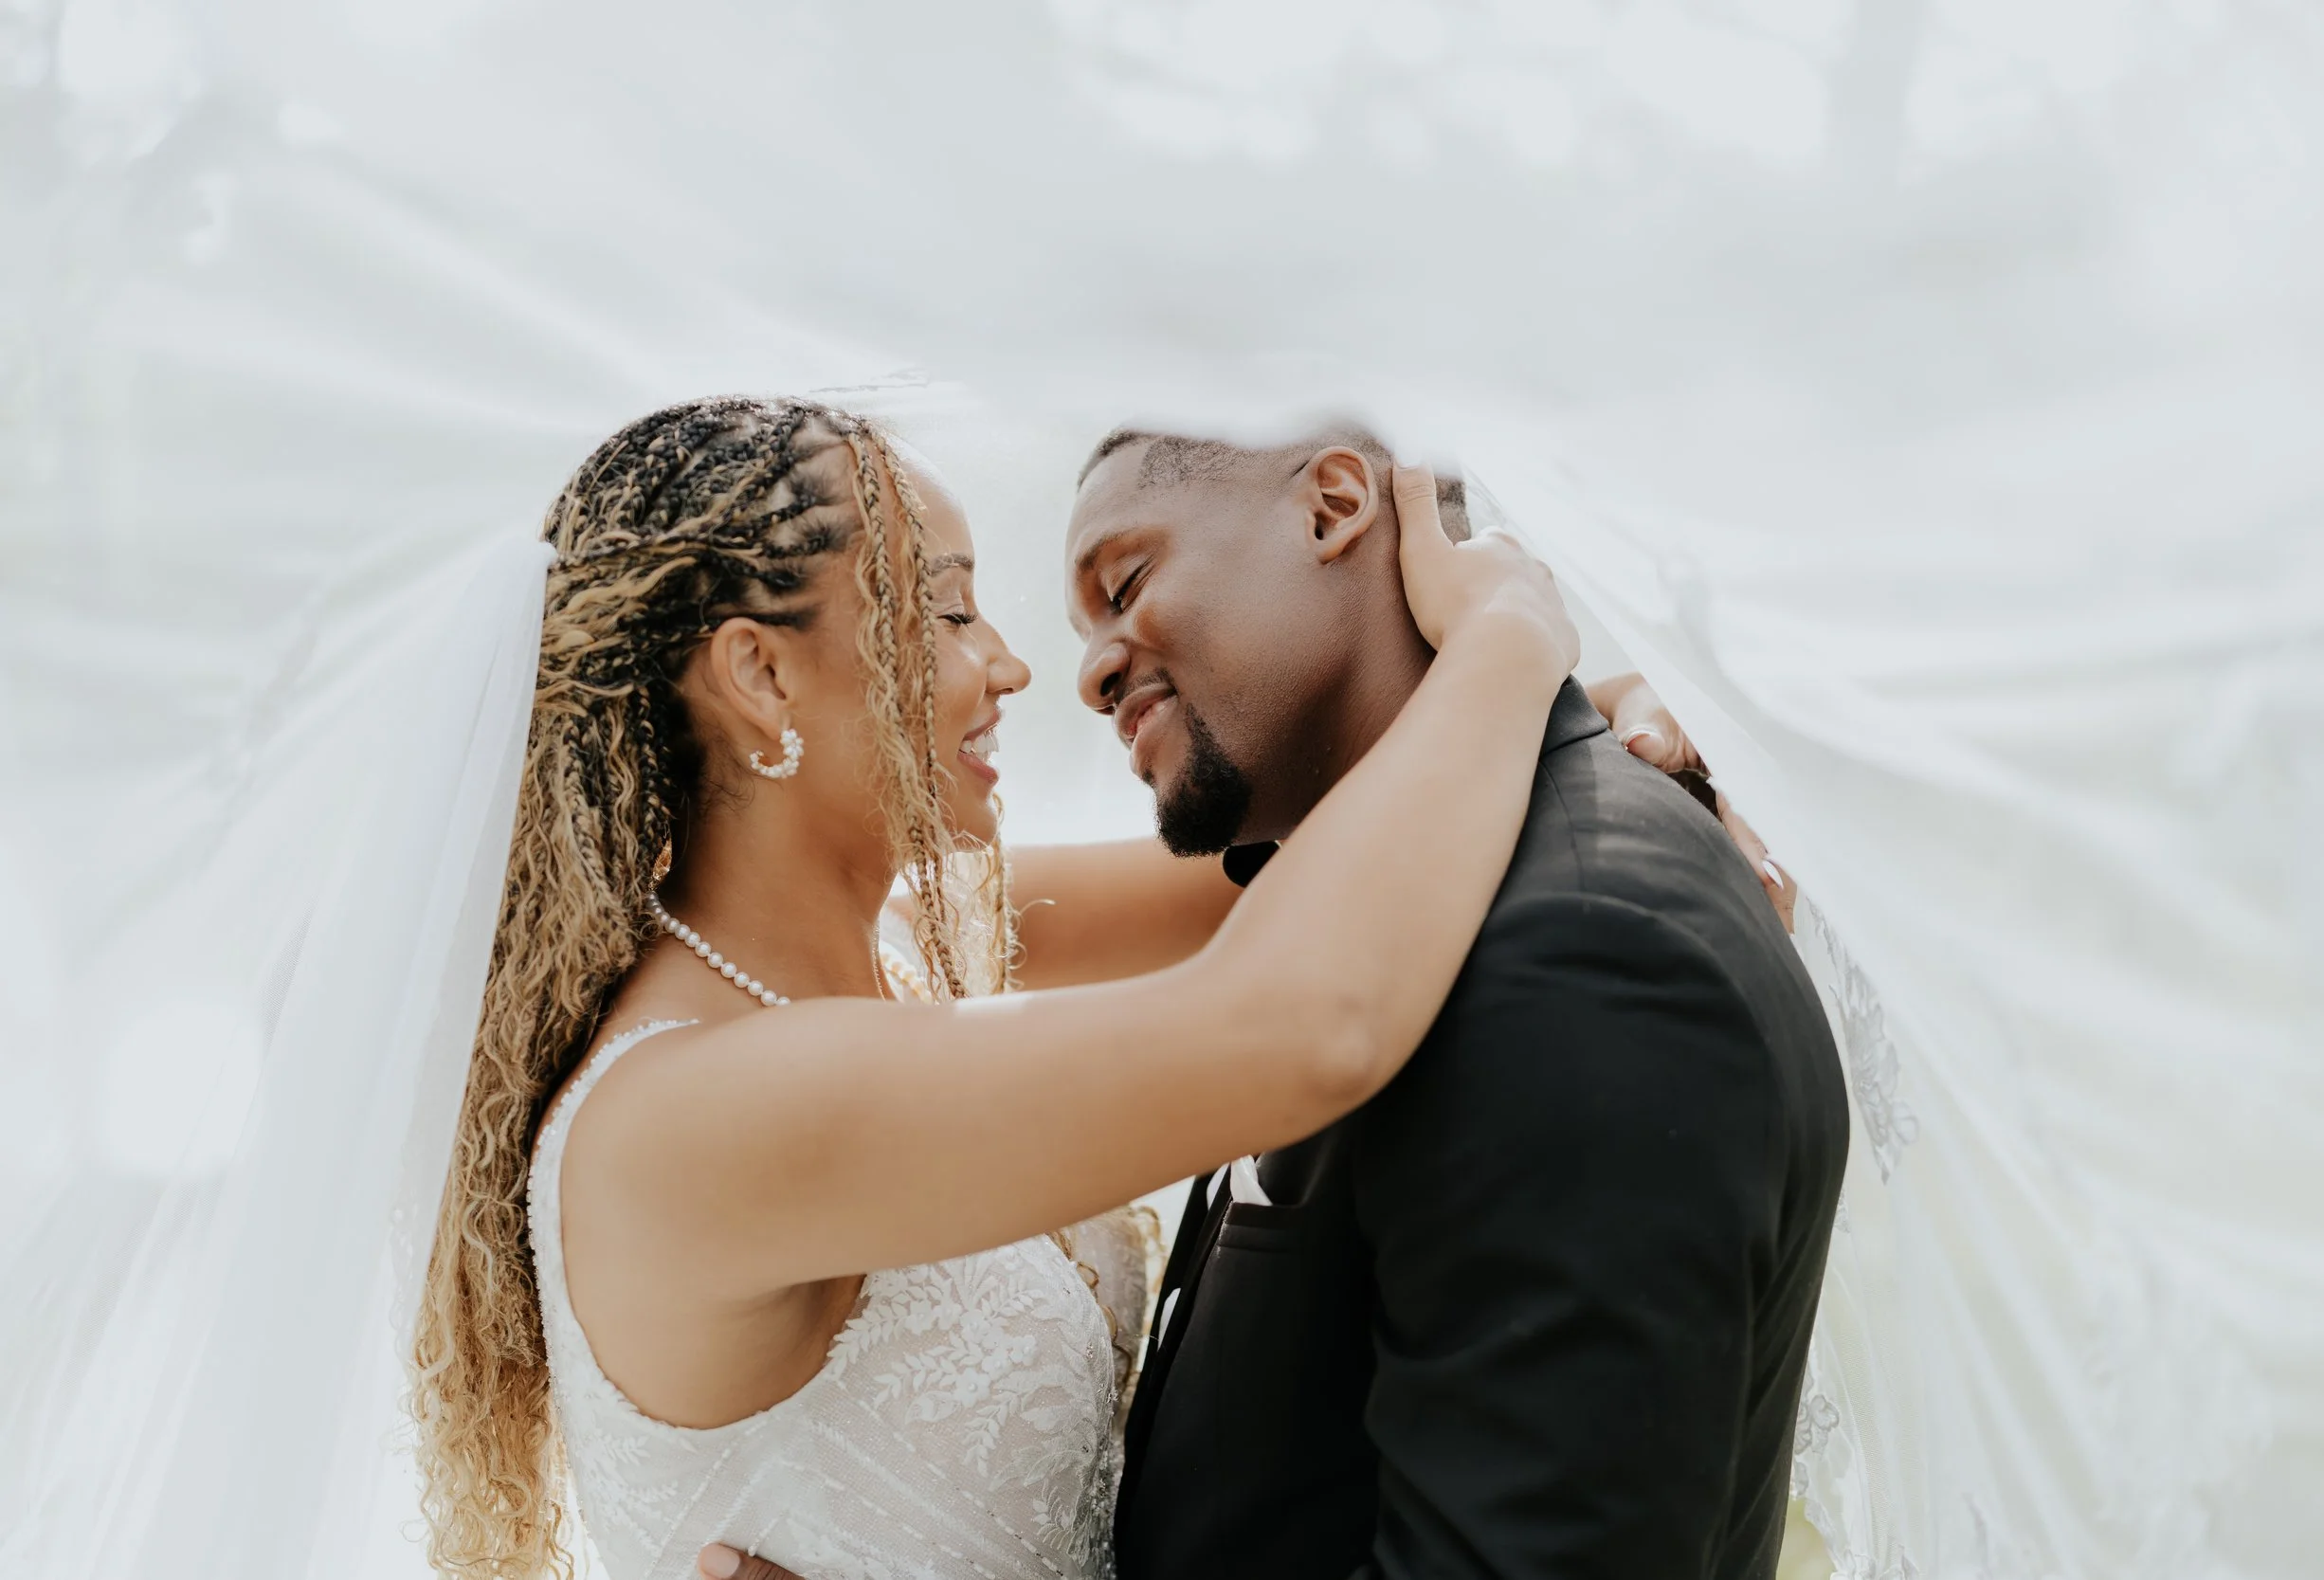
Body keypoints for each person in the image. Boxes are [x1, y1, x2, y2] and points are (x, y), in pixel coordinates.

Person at [407, 394, 1584, 1580]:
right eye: (947, 607)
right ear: (761, 672)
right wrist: (1510, 643)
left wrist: (1607, 733)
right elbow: (1306, 1022)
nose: (1010, 664)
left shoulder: (914, 947)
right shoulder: (688, 1112)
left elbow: (1319, 866)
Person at [698, 420, 1848, 1580]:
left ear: (1333, 503)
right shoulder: (1357, 900)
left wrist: (1551, 667)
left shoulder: (1582, 951)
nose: (1082, 673)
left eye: (1127, 580)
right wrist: (1515, 648)